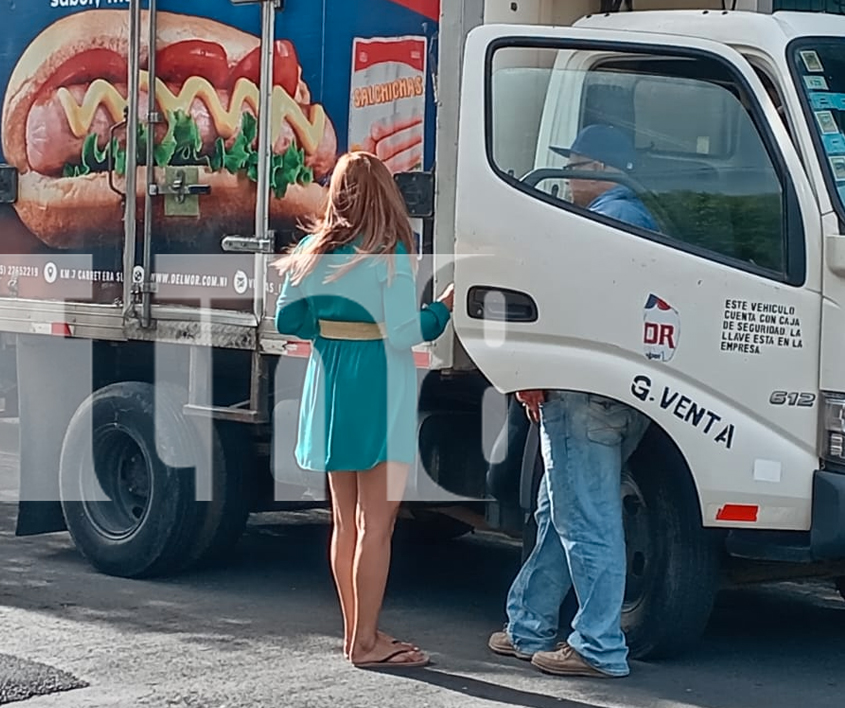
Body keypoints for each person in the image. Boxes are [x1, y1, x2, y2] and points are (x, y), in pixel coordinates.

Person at [274, 151, 454, 670]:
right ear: (385, 194)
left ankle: (357, 633)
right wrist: (440, 310)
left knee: (344, 523)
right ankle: (368, 642)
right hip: (379, 384)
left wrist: (327, 331)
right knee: (378, 523)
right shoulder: (389, 252)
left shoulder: (312, 250)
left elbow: (290, 320)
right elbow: (404, 332)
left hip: (329, 382)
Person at [488, 124, 654, 678]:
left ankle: (598, 645)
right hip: (610, 394)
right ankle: (529, 625)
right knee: (560, 511)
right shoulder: (636, 220)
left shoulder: (601, 222)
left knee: (585, 520)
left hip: (581, 393)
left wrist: (532, 368)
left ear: (602, 169)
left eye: (577, 163)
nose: (570, 174)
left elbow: (564, 306)